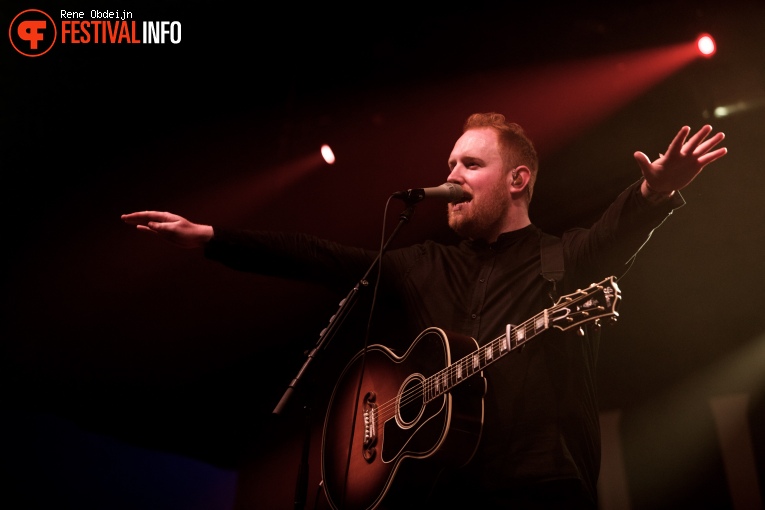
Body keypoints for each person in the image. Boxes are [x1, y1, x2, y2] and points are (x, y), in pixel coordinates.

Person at [122, 113, 727, 509]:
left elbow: (618, 230)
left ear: (517, 179)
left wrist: (656, 190)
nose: (452, 176)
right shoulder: (423, 263)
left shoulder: (562, 258)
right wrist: (211, 237)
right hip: (437, 487)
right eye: (449, 166)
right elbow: (319, 257)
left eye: (470, 165)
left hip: (539, 484)